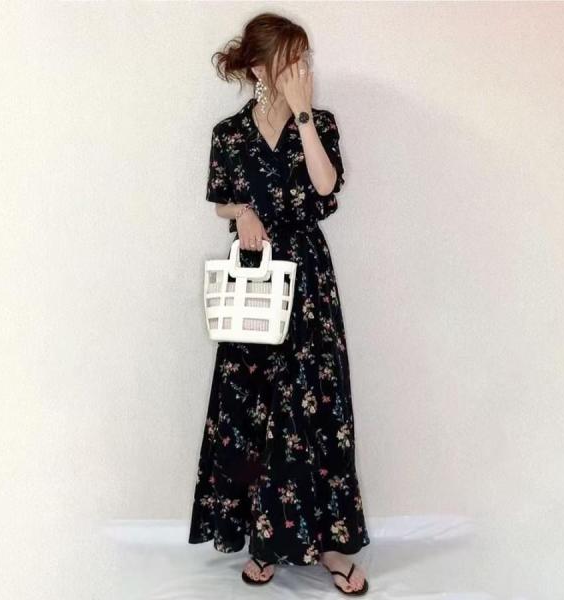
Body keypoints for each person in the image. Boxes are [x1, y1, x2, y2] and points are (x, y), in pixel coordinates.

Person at [188, 12, 370, 596]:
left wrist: (303, 114)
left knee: (316, 408)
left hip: (308, 281)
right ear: (262, 67)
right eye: (293, 58)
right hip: (256, 280)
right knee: (253, 409)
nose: (302, 68)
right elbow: (220, 198)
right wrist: (242, 212)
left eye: (305, 58)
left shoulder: (319, 122)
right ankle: (261, 541)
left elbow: (325, 186)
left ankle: (332, 546)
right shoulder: (229, 133)